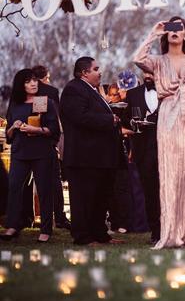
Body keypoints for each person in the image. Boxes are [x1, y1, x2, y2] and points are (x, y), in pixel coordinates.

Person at [134, 17, 185, 248]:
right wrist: (153, 32)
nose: (175, 31)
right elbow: (137, 59)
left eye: (180, 28)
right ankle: (170, 231)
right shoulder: (158, 62)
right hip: (169, 114)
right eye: (171, 28)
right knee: (171, 173)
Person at [60, 57, 125, 245]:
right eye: (96, 69)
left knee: (99, 198)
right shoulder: (74, 89)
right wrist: (108, 120)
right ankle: (83, 237)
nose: (100, 72)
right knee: (83, 199)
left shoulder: (93, 91)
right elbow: (79, 117)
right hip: (83, 157)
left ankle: (100, 234)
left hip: (99, 157)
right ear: (84, 73)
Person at [1, 69, 60, 242]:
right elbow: (9, 134)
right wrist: (14, 127)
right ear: (21, 85)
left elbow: (54, 130)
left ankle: (46, 229)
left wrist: (36, 129)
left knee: (44, 191)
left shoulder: (45, 102)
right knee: (14, 188)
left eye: (35, 80)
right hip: (20, 152)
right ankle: (12, 226)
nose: (33, 83)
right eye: (28, 81)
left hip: (42, 152)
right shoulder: (15, 104)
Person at [32, 64, 71, 230]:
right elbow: (52, 118)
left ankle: (29, 216)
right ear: (43, 79)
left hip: (32, 141)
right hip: (46, 140)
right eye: (47, 78)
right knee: (54, 181)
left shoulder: (25, 92)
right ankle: (60, 218)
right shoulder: (49, 92)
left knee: (34, 183)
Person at [124, 72, 160, 244]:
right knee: (150, 192)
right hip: (143, 150)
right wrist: (134, 123)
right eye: (145, 72)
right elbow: (126, 121)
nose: (147, 75)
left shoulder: (169, 91)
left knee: (168, 191)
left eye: (151, 72)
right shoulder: (133, 94)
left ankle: (172, 228)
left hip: (167, 148)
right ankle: (156, 232)